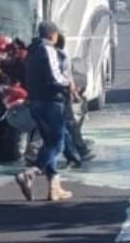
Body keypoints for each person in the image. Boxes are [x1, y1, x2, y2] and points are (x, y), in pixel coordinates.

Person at [15, 21, 73, 202]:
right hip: (51, 102)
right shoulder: (48, 49)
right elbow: (55, 77)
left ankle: (54, 188)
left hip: (36, 103)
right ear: (52, 35)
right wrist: (68, 83)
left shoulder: (31, 51)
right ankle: (31, 173)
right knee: (58, 144)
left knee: (48, 143)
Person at [54, 34, 93, 165]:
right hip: (61, 96)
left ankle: (76, 153)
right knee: (69, 125)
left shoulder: (49, 55)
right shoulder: (61, 56)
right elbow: (67, 78)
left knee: (61, 126)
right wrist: (74, 94)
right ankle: (80, 152)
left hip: (53, 97)